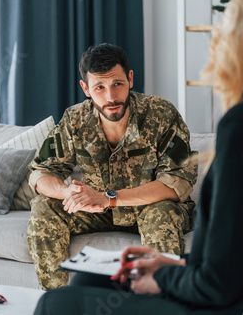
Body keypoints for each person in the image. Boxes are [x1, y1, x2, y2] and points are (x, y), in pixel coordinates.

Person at [32, 0, 243, 313]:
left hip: (231, 303)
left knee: (57, 303)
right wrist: (168, 264)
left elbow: (215, 283)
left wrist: (164, 278)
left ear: (238, 42)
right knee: (89, 279)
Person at [27, 43, 198, 290]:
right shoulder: (75, 120)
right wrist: (72, 195)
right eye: (99, 87)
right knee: (44, 207)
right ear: (85, 88)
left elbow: (176, 183)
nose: (111, 97)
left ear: (130, 78)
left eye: (117, 84)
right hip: (97, 210)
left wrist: (109, 198)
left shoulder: (161, 113)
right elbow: (41, 172)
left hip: (149, 206)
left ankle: (160, 306)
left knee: (161, 214)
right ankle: (58, 302)